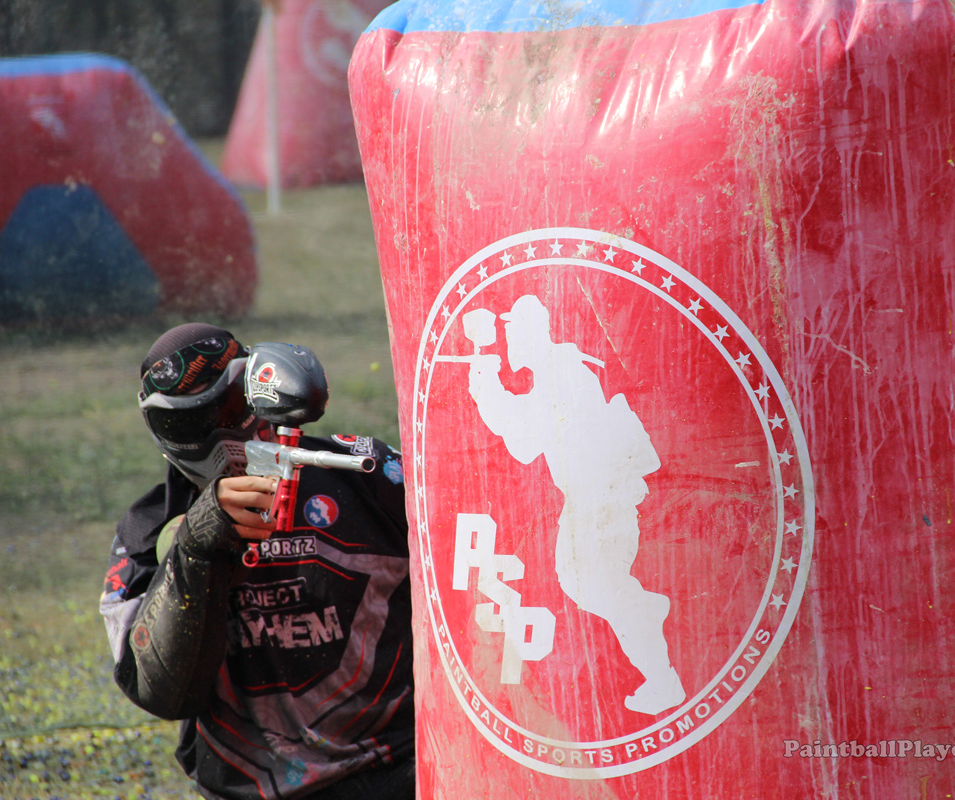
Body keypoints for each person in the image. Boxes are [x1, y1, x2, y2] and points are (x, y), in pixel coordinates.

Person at [99, 323, 414, 800]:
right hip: (252, 787)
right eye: (189, 425)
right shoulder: (149, 530)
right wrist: (197, 548)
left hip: (399, 771)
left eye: (228, 410)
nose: (219, 438)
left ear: (258, 394)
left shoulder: (364, 476)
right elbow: (158, 691)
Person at [462, 295, 685, 716]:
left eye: (512, 332)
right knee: (585, 584)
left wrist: (484, 380)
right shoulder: (557, 370)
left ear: (532, 333)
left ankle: (658, 663)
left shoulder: (562, 372)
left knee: (598, 586)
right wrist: (484, 374)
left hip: (602, 500)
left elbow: (525, 441)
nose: (508, 340)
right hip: (591, 499)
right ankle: (645, 623)